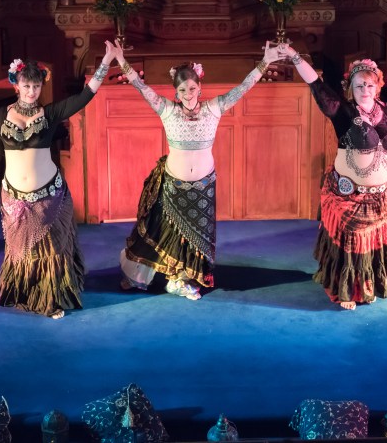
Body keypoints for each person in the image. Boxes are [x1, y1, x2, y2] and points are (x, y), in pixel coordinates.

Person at [107, 39, 282, 300]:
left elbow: (243, 88)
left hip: (202, 188)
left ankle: (182, 279)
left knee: (194, 238)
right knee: (160, 232)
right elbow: (140, 86)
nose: (187, 93)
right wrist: (121, 60)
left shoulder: (214, 108)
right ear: (175, 92)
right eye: (182, 90)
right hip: (173, 186)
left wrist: (265, 62)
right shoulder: (167, 110)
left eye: (191, 88)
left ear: (199, 87)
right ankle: (141, 275)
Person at [0, 45, 116, 319]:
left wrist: (108, 60)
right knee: (22, 250)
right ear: (16, 85)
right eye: (27, 86)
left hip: (49, 196)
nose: (32, 92)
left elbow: (86, 95)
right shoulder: (2, 115)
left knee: (51, 250)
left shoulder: (50, 113)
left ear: (42, 86)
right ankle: (25, 293)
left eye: (36, 86)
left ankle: (51, 298)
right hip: (14, 198)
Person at [279, 44, 387, 310]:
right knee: (352, 245)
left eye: (370, 85)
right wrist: (294, 56)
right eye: (359, 85)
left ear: (378, 87)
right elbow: (316, 85)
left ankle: (372, 284)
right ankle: (347, 290)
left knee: (374, 243)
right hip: (349, 196)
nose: (365, 90)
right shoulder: (342, 111)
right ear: (350, 87)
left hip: (384, 196)